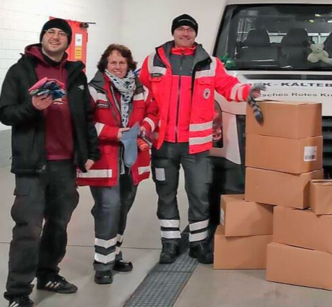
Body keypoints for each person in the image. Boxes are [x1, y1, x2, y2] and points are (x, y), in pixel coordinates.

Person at [139, 14, 261, 265]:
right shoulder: (153, 61)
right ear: (174, 32)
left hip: (196, 146)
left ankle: (199, 243)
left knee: (199, 195)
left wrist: (248, 91)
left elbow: (228, 86)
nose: (185, 33)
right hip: (163, 144)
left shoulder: (210, 63)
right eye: (181, 29)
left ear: (195, 34)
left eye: (190, 30)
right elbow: (142, 96)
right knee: (166, 195)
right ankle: (170, 243)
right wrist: (142, 127)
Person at [0, 18, 100, 307]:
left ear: (68, 42)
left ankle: (47, 273)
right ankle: (18, 293)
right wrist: (33, 107)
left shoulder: (75, 74)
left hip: (66, 164)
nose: (55, 37)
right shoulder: (21, 71)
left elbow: (85, 117)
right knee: (28, 229)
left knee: (58, 225)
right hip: (33, 165)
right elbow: (5, 113)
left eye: (61, 34)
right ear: (42, 38)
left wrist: (90, 152)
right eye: (50, 32)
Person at [78, 44, 159, 285]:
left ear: (129, 65)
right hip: (105, 158)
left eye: (122, 62)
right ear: (105, 65)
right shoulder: (94, 90)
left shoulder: (140, 90)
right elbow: (85, 123)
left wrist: (144, 127)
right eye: (113, 62)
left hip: (131, 159)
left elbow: (153, 113)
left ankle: (114, 254)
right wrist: (117, 133)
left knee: (124, 204)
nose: (117, 66)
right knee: (108, 206)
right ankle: (102, 264)